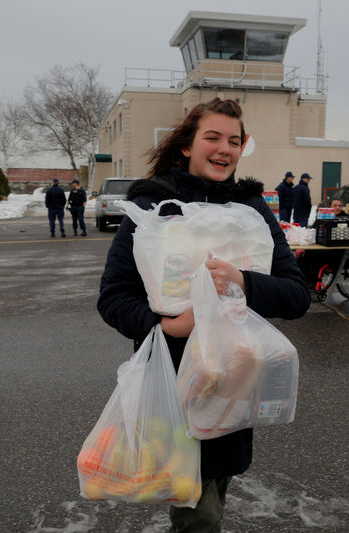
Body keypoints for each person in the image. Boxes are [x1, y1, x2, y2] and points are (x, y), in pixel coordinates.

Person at [97, 98, 310, 532]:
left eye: (234, 141)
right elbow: (114, 297)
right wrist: (165, 324)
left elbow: (296, 295)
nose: (224, 149)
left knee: (207, 496)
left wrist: (243, 281)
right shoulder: (153, 207)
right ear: (186, 147)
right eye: (212, 137)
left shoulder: (251, 211)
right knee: (196, 507)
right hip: (172, 381)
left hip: (232, 384)